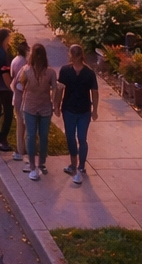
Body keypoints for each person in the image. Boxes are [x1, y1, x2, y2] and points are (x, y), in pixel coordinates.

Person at [56, 43, 99, 185]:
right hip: (68, 109)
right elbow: (60, 89)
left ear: (80, 56)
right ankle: (73, 164)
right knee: (69, 137)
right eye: (71, 55)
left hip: (84, 111)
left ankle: (81, 167)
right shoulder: (65, 71)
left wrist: (95, 110)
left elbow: (95, 92)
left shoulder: (89, 73)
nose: (72, 57)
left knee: (82, 137)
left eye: (74, 55)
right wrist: (56, 106)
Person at [18, 43, 59, 181]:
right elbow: (55, 89)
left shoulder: (26, 71)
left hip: (29, 107)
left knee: (30, 136)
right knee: (43, 136)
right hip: (45, 108)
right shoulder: (51, 72)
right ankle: (41, 162)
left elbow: (21, 86)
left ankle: (31, 164)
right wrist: (54, 104)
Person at [9, 33, 31, 161]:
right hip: (26, 96)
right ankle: (28, 149)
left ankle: (19, 150)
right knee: (28, 124)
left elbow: (12, 76)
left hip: (17, 96)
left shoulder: (14, 61)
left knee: (19, 123)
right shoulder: (26, 64)